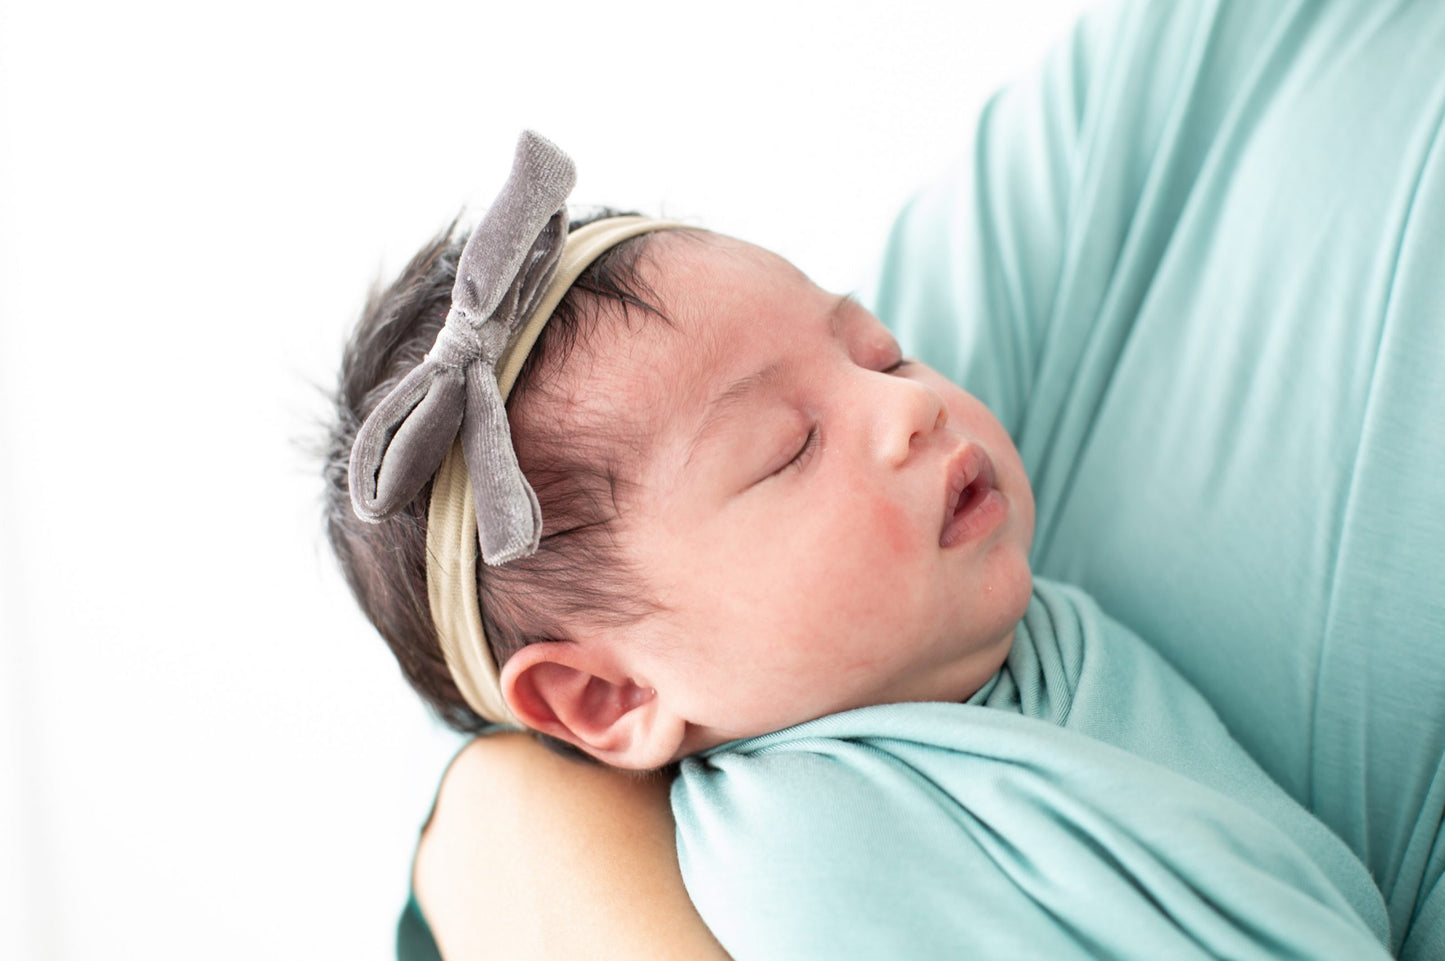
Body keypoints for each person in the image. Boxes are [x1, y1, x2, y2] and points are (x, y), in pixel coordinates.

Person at [328, 0, 1445, 955]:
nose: (910, 405)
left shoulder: (988, 649)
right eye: (788, 448)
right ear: (609, 698)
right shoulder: (803, 856)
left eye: (881, 351)